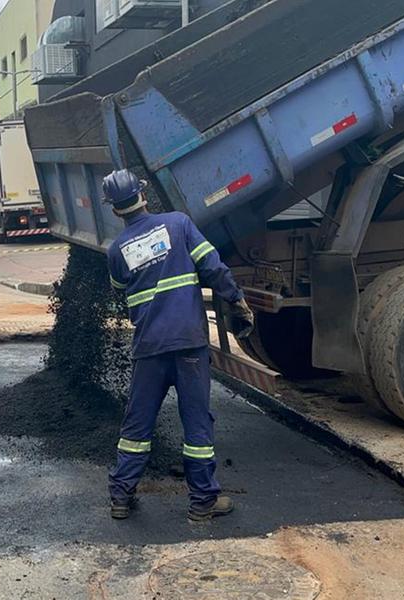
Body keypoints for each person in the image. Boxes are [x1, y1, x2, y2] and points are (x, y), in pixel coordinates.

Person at [102, 169, 255, 522]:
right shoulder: (179, 225)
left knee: (137, 427)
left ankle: (121, 497)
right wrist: (236, 299)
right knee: (197, 424)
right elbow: (213, 267)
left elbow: (118, 293)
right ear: (143, 195)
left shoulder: (116, 251)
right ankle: (202, 502)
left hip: (149, 348)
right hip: (188, 344)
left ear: (114, 210)